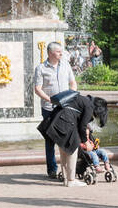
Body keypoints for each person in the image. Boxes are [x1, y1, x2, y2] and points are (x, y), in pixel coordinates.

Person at [39, 90, 108, 188]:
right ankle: (71, 180)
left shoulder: (83, 99)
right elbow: (82, 127)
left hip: (55, 120)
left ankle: (66, 179)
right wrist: (86, 142)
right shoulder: (89, 106)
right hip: (64, 122)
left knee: (64, 150)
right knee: (73, 150)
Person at [33, 41, 77, 180]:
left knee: (66, 136)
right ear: (51, 53)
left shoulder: (65, 65)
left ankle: (67, 170)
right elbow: (37, 88)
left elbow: (73, 82)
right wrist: (50, 99)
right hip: (49, 108)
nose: (61, 53)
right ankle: (52, 169)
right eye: (58, 51)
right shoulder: (40, 68)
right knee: (50, 139)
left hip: (65, 107)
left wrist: (72, 95)